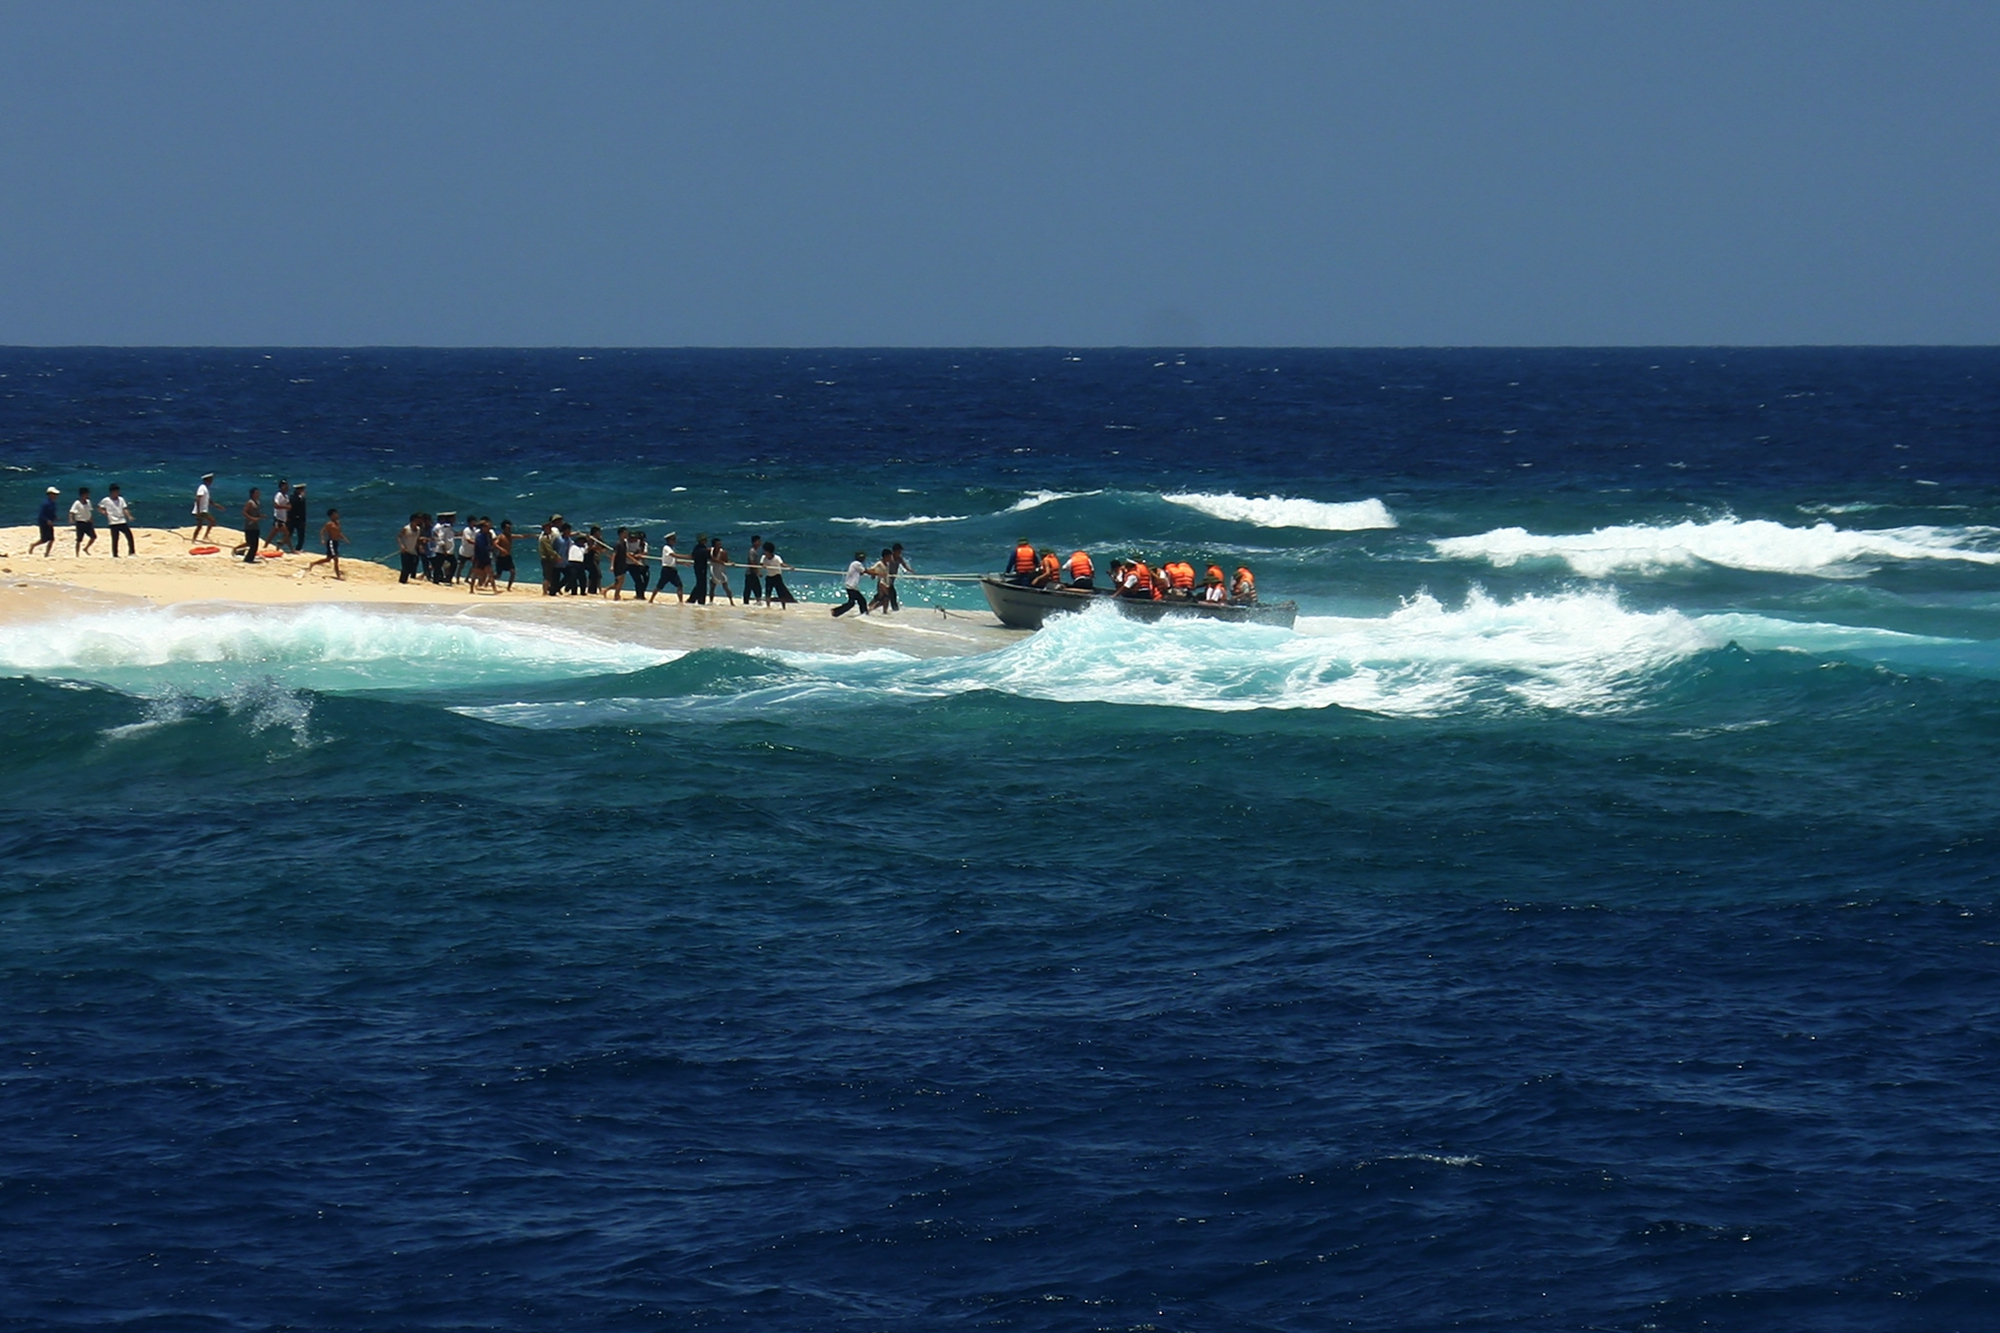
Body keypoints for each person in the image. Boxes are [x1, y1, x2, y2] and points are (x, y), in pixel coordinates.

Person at [308, 509, 347, 579]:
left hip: (336, 542)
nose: (337, 515)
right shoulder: (329, 524)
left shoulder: (338, 523)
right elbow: (322, 531)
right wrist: (322, 539)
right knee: (336, 559)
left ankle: (313, 563)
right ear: (331, 516)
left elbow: (339, 533)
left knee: (328, 559)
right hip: (331, 542)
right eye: (335, 514)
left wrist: (344, 539)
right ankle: (338, 576)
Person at [99, 483, 137, 557]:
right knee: (115, 539)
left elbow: (124, 509)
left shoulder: (121, 499)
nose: (117, 493)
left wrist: (129, 516)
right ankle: (115, 554)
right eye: (116, 491)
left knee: (129, 536)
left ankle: (132, 552)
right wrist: (104, 512)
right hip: (113, 522)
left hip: (122, 520)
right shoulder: (106, 500)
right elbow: (100, 507)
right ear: (112, 492)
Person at [650, 532, 685, 604]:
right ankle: (651, 599)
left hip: (672, 570)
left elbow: (672, 560)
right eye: (673, 539)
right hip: (667, 570)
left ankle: (681, 601)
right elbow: (673, 555)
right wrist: (687, 557)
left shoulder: (671, 548)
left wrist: (683, 563)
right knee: (659, 586)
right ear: (669, 540)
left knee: (679, 585)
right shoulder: (666, 548)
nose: (675, 541)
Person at [831, 551, 870, 616]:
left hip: (851, 586)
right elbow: (865, 571)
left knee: (859, 601)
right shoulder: (857, 564)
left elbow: (861, 572)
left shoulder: (854, 564)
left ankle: (836, 612)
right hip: (851, 586)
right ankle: (835, 611)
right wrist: (876, 573)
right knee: (857, 602)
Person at [761, 542, 793, 608]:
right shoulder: (763, 557)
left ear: (769, 552)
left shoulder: (777, 558)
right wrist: (763, 566)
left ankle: (783, 607)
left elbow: (782, 564)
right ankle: (768, 607)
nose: (765, 553)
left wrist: (789, 567)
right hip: (769, 577)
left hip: (777, 577)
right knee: (768, 593)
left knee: (780, 593)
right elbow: (761, 564)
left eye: (765, 551)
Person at [468, 517, 496, 593]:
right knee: (475, 573)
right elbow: (480, 546)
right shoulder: (479, 536)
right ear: (483, 527)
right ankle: (471, 589)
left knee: (490, 572)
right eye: (487, 526)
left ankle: (494, 589)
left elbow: (490, 544)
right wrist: (489, 549)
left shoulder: (488, 535)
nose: (488, 528)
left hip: (486, 556)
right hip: (479, 557)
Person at [620, 529, 649, 600]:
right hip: (626, 563)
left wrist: (636, 555)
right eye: (631, 538)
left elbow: (644, 552)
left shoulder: (642, 543)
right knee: (619, 579)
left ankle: (640, 595)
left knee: (639, 580)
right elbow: (625, 553)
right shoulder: (625, 542)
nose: (633, 539)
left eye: (634, 538)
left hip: (635, 564)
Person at [69, 487, 98, 556]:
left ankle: (86, 548)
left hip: (88, 522)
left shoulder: (88, 502)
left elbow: (89, 511)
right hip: (80, 523)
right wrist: (71, 519)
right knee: (79, 540)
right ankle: (77, 554)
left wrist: (91, 519)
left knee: (93, 537)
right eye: (86, 494)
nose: (87, 495)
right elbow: (71, 512)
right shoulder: (77, 503)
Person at [30, 487, 58, 556]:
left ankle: (47, 553)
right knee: (44, 539)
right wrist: (47, 520)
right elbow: (41, 514)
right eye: (54, 494)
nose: (56, 496)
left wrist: (55, 517)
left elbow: (51, 513)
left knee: (51, 539)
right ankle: (33, 545)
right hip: (44, 523)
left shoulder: (53, 503)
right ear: (50, 494)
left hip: (50, 523)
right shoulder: (45, 503)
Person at [493, 520, 521, 590]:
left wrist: (531, 535)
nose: (509, 529)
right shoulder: (501, 536)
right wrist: (502, 549)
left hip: (508, 557)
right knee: (498, 576)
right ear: (504, 528)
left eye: (510, 528)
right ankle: (489, 579)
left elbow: (521, 536)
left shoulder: (510, 536)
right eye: (508, 528)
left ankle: (508, 587)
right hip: (501, 558)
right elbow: (495, 544)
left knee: (513, 572)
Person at [706, 537, 734, 605]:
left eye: (719, 544)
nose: (719, 546)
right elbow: (710, 558)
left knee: (725, 587)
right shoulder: (709, 550)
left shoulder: (723, 552)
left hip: (721, 571)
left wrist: (731, 563)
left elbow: (726, 560)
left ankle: (731, 601)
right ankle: (711, 601)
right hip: (713, 570)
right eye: (717, 544)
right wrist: (719, 561)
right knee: (712, 587)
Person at [886, 542, 913, 611]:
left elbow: (904, 565)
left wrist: (910, 570)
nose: (900, 552)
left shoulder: (899, 558)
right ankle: (894, 610)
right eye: (899, 551)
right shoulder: (890, 558)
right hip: (886, 579)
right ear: (894, 551)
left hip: (892, 580)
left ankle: (873, 607)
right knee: (892, 594)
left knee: (885, 596)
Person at [268, 480, 293, 551]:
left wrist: (288, 509)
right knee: (287, 534)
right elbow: (275, 505)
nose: (287, 487)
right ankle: (291, 549)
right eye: (285, 486)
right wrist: (286, 507)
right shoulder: (278, 495)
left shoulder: (286, 496)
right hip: (278, 518)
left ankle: (265, 546)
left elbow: (288, 505)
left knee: (272, 534)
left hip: (283, 518)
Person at [191, 474, 217, 541]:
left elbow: (207, 499)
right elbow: (198, 499)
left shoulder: (205, 488)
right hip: (201, 510)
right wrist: (198, 510)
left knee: (205, 523)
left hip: (203, 510)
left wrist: (215, 505)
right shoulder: (202, 488)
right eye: (210, 480)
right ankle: (196, 538)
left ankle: (202, 537)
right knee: (202, 525)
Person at [239, 488, 261, 563]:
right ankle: (248, 558)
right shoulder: (250, 502)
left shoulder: (257, 502)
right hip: (249, 525)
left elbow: (256, 513)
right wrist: (251, 518)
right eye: (256, 493)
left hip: (255, 525)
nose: (258, 494)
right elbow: (244, 512)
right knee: (251, 542)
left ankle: (250, 558)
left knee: (255, 543)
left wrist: (260, 516)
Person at [741, 533, 763, 605]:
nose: (760, 543)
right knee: (754, 587)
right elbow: (752, 562)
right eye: (758, 541)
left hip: (752, 572)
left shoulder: (755, 551)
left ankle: (747, 601)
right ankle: (755, 600)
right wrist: (757, 572)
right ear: (754, 542)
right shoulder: (752, 551)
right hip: (751, 572)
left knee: (750, 587)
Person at [688, 533, 709, 604]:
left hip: (698, 567)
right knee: (702, 584)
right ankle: (699, 599)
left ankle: (693, 599)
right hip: (701, 568)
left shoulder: (697, 548)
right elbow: (709, 557)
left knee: (700, 583)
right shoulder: (702, 549)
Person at [287, 484, 309, 552]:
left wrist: (304, 520)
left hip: (300, 519)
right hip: (292, 518)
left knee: (301, 535)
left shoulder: (302, 498)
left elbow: (303, 510)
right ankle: (282, 544)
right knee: (289, 534)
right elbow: (291, 507)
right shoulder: (292, 497)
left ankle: (298, 548)